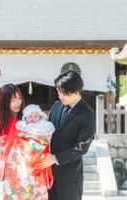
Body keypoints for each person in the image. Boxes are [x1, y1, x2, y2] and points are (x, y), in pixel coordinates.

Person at [36, 70, 96, 200]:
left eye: (63, 93)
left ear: (76, 92)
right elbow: (45, 131)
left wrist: (55, 158)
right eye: (58, 91)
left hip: (70, 177)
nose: (59, 96)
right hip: (48, 173)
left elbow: (82, 147)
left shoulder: (88, 114)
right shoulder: (56, 106)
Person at [0, 83, 25, 200]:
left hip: (29, 171)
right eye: (13, 100)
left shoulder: (27, 121)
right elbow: (0, 153)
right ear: (5, 102)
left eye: (19, 98)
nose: (17, 103)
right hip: (12, 173)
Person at [12, 104, 55, 199]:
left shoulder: (44, 127)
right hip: (24, 161)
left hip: (39, 161)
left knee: (38, 185)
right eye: (30, 116)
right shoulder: (21, 126)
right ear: (25, 117)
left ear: (40, 117)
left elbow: (46, 141)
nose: (32, 118)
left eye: (35, 116)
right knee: (23, 183)